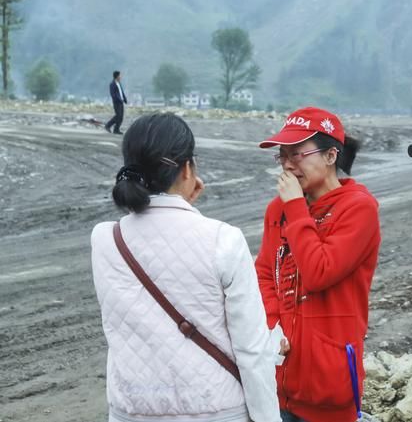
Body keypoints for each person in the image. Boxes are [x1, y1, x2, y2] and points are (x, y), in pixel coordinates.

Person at [91, 113, 281, 422]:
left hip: (132, 410)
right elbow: (252, 349)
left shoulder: (104, 240)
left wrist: (180, 205)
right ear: (188, 168)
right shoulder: (224, 240)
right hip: (217, 410)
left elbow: (156, 229)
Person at [255, 107, 381, 422]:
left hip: (330, 385)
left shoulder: (358, 209)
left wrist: (296, 205)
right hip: (278, 379)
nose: (286, 164)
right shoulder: (278, 209)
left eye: (297, 154)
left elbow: (318, 272)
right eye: (282, 156)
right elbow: (265, 273)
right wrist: (273, 327)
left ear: (330, 156)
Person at [105, 70, 127, 134]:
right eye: (120, 75)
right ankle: (107, 125)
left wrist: (124, 98)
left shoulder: (119, 83)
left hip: (121, 102)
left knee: (121, 117)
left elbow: (121, 92)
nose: (121, 76)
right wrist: (119, 99)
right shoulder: (112, 84)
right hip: (117, 102)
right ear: (117, 76)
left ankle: (116, 130)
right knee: (118, 116)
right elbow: (113, 94)